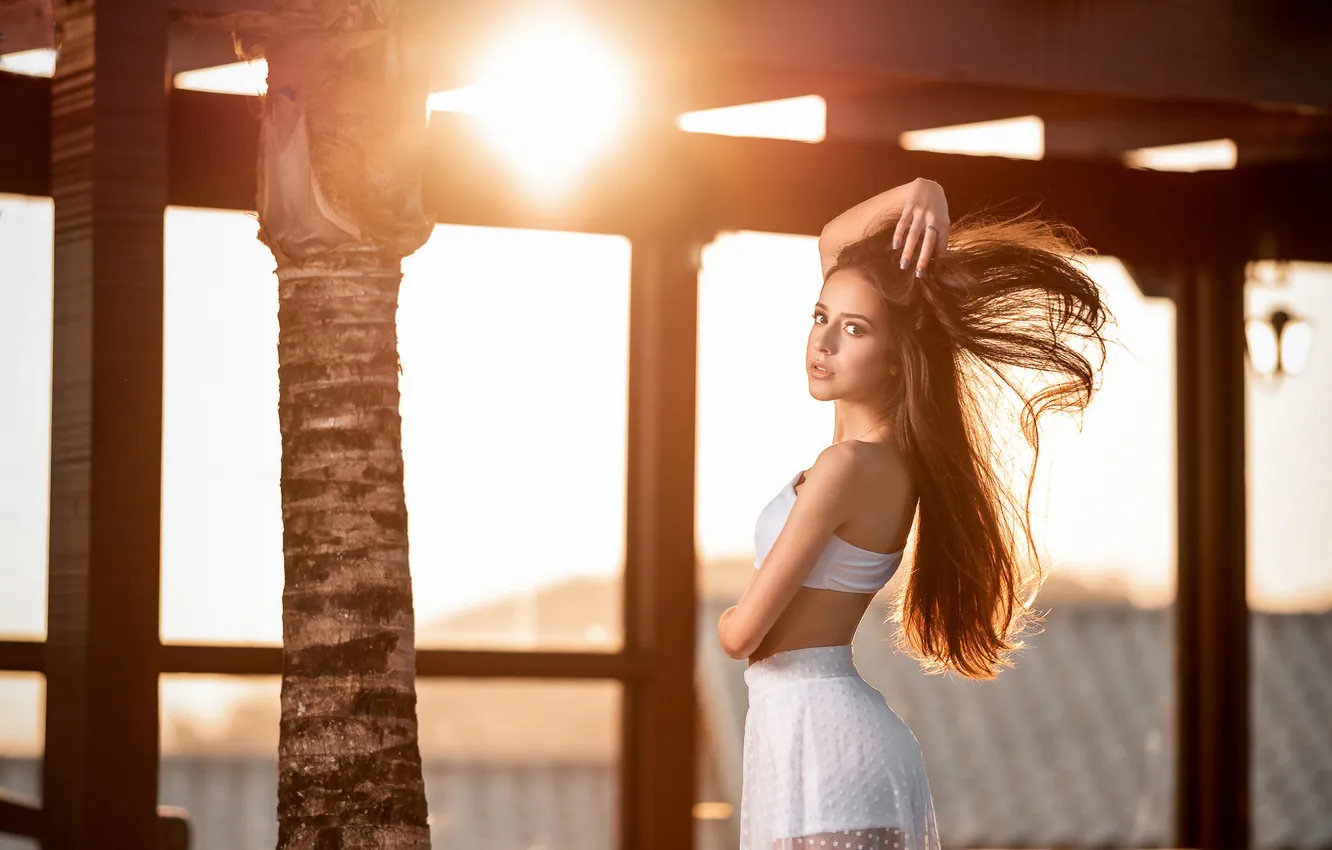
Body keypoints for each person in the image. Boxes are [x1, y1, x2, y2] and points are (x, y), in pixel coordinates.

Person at [716, 178, 1111, 849]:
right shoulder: (873, 458)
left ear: (898, 358)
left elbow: (741, 636)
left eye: (855, 329)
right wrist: (921, 192)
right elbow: (835, 244)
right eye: (820, 318)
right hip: (808, 736)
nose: (825, 343)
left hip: (823, 745)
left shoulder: (848, 469)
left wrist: (721, 614)